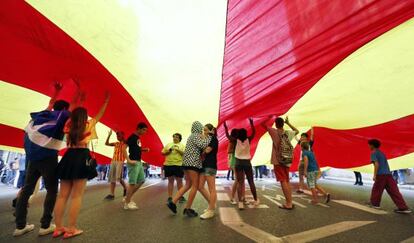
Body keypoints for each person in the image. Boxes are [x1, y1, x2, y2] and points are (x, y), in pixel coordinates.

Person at [14, 81, 80, 237]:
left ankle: (20, 226)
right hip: (48, 158)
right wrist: (77, 90)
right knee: (51, 190)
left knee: (26, 190)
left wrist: (57, 91)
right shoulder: (62, 116)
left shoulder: (42, 116)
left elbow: (50, 103)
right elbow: (73, 106)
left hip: (32, 158)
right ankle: (45, 225)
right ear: (63, 109)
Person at [53, 92, 110, 239]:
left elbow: (77, 114)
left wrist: (81, 101)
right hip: (81, 157)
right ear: (85, 118)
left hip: (68, 157)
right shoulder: (88, 124)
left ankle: (58, 228)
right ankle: (71, 228)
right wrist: (106, 101)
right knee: (76, 196)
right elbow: (99, 115)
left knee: (62, 196)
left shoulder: (67, 125)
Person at [167, 121, 211, 217]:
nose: (203, 131)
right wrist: (210, 136)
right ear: (199, 129)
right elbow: (203, 145)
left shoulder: (191, 136)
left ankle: (173, 202)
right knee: (195, 186)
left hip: (186, 163)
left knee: (188, 184)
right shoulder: (195, 136)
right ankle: (188, 208)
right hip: (193, 164)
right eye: (202, 129)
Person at [262, 116, 299, 210]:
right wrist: (288, 123)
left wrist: (269, 116)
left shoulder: (273, 131)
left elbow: (263, 124)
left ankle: (288, 203)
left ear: (276, 124)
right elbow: (297, 131)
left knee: (283, 181)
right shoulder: (288, 133)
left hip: (278, 161)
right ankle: (290, 201)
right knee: (286, 181)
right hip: (286, 160)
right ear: (283, 124)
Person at [368, 139, 411, 214]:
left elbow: (377, 164)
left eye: (369, 144)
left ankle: (375, 204)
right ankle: (403, 208)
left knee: (376, 190)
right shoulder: (382, 153)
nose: (368, 146)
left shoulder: (374, 153)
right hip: (388, 174)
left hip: (381, 175)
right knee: (394, 191)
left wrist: (374, 175)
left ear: (372, 145)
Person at [226, 118, 258, 210]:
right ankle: (256, 200)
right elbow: (253, 133)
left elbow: (228, 136)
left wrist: (225, 127)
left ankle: (240, 202)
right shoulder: (248, 139)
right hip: (247, 163)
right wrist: (252, 124)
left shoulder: (235, 141)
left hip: (238, 163)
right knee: (251, 181)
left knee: (240, 182)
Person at [123, 122, 150, 210]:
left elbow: (135, 148)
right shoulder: (132, 137)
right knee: (132, 183)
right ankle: (127, 203)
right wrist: (128, 160)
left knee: (142, 180)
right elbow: (124, 147)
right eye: (143, 130)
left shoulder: (138, 138)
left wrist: (143, 149)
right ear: (138, 128)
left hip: (138, 162)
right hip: (133, 162)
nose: (145, 132)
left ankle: (127, 198)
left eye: (146, 130)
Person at [198, 124, 218, 219]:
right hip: (204, 165)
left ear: (211, 130)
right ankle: (212, 204)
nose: (204, 132)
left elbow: (207, 150)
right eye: (203, 130)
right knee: (200, 186)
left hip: (210, 165)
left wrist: (202, 150)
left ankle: (211, 210)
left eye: (206, 130)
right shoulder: (206, 139)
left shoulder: (213, 139)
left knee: (211, 188)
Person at [162, 133, 186, 204]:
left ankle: (180, 196)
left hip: (178, 165)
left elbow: (184, 154)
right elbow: (163, 153)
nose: (175, 138)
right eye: (174, 137)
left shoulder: (182, 145)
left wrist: (177, 150)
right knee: (170, 181)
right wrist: (168, 151)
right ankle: (170, 197)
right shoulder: (168, 144)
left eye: (177, 137)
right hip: (168, 165)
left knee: (179, 181)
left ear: (180, 139)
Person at [223, 126, 245, 205]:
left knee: (241, 179)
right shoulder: (232, 141)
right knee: (237, 179)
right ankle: (232, 197)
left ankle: (243, 197)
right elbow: (229, 151)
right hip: (234, 161)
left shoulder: (237, 141)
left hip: (239, 161)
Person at [104, 130, 128, 200]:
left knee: (118, 178)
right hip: (113, 161)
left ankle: (126, 188)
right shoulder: (116, 143)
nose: (117, 137)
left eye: (119, 135)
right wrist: (109, 135)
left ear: (123, 136)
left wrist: (123, 137)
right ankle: (112, 194)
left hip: (120, 161)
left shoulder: (125, 143)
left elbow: (128, 143)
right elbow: (106, 143)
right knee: (112, 178)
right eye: (117, 136)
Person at [297, 128, 314, 193]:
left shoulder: (309, 143)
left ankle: (313, 189)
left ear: (307, 138)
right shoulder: (300, 143)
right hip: (301, 162)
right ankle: (301, 189)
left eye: (303, 137)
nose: (302, 138)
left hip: (308, 161)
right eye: (301, 137)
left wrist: (312, 128)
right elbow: (295, 136)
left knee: (309, 177)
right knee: (300, 176)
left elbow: (312, 136)